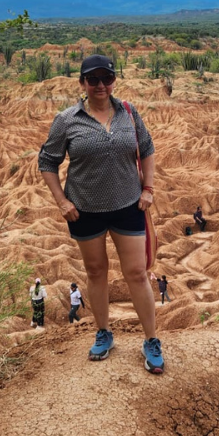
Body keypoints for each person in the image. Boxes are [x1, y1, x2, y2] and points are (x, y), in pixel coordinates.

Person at [38, 54, 165, 374]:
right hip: (85, 211)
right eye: (92, 80)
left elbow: (147, 150)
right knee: (96, 273)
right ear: (82, 83)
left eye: (106, 79)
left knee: (137, 273)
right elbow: (47, 161)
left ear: (114, 81)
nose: (100, 85)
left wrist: (148, 189)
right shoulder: (67, 119)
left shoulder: (129, 113)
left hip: (128, 205)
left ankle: (151, 339)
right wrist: (61, 201)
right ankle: (103, 333)